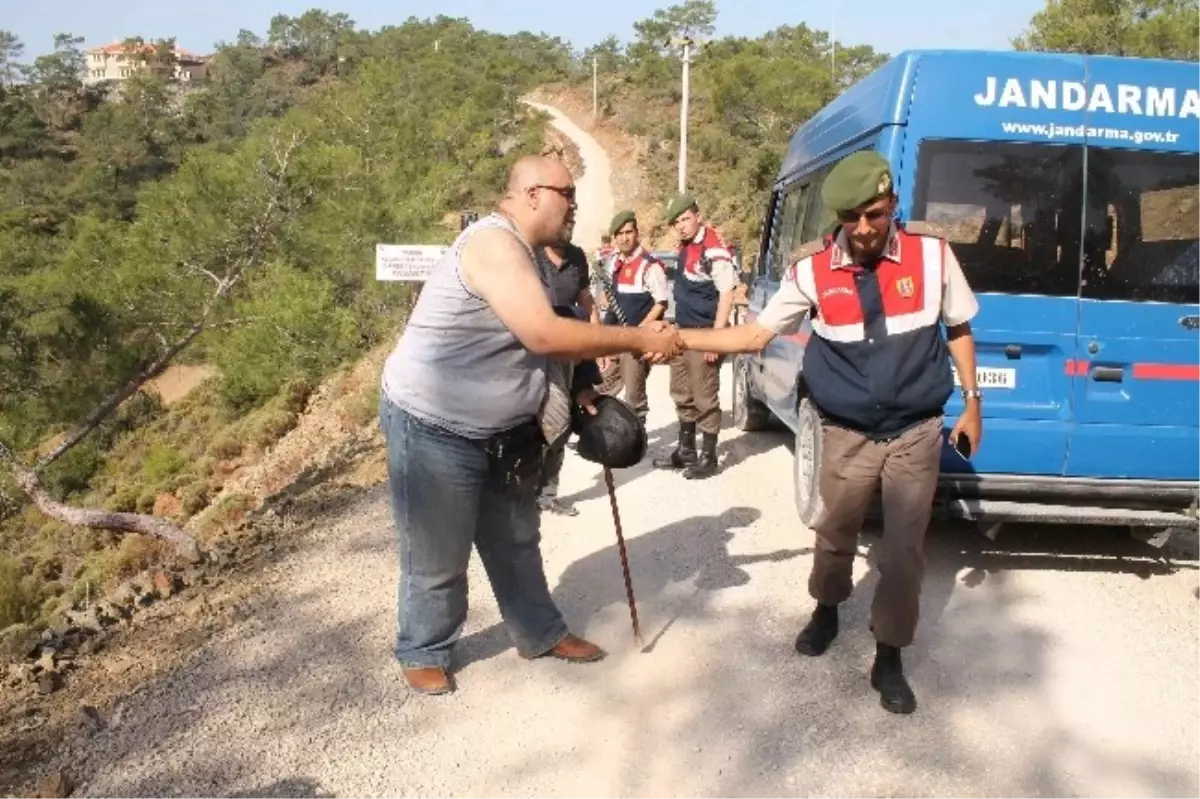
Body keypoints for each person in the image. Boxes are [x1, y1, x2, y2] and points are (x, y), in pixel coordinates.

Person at [655, 151, 983, 715]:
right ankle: (827, 607)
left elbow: (957, 327)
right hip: (846, 431)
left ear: (892, 206)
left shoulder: (932, 257)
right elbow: (756, 336)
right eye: (851, 216)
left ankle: (889, 652)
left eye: (875, 215)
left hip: (914, 430)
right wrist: (681, 340)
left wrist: (974, 403)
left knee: (904, 552)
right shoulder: (811, 271)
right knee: (834, 534)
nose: (863, 228)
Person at [378, 155, 681, 696]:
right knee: (439, 550)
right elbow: (543, 333)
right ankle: (424, 647)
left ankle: (539, 632)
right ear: (535, 193)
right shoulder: (493, 245)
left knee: (517, 537)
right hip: (433, 425)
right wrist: (637, 339)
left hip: (505, 431)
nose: (575, 208)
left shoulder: (540, 256)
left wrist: (585, 384)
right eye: (569, 196)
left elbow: (563, 335)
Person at [652, 194, 738, 480]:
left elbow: (727, 292)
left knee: (704, 396)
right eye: (677, 222)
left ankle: (709, 456)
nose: (681, 226)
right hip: (682, 331)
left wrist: (717, 337)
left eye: (685, 219)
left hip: (704, 333)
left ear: (697, 216)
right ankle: (686, 450)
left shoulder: (712, 247)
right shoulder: (687, 246)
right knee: (682, 392)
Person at [534, 238, 600, 516]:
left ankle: (548, 494)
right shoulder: (531, 252)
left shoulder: (576, 256)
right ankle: (526, 494)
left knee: (562, 423)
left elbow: (585, 299)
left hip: (568, 352)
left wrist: (596, 340)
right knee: (532, 427)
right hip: (534, 350)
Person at [595, 209, 670, 424]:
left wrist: (641, 332)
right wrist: (603, 296)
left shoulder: (650, 265)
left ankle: (637, 443)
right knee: (601, 386)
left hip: (635, 343)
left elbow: (661, 303)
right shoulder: (612, 262)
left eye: (628, 232)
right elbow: (607, 291)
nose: (624, 238)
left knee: (634, 398)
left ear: (636, 233)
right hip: (613, 337)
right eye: (619, 234)